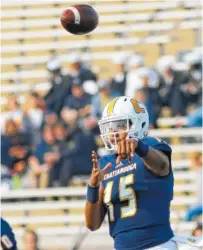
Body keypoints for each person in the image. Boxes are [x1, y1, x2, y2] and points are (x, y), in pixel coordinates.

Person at [85, 96, 200, 250]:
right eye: (110, 126)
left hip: (157, 245)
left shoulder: (151, 147)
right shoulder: (106, 164)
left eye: (119, 125)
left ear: (138, 123)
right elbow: (92, 224)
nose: (113, 132)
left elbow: (162, 165)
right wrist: (92, 187)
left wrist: (139, 147)